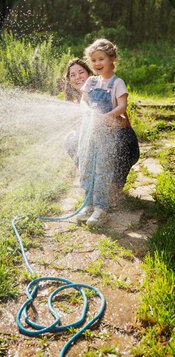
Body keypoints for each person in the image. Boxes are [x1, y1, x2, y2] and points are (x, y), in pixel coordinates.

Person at [76, 38, 139, 226]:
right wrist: (87, 111)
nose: (97, 64)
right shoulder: (91, 81)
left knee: (102, 170)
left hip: (106, 133)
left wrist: (105, 117)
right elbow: (83, 101)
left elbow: (122, 106)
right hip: (88, 132)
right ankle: (88, 204)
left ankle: (101, 208)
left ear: (111, 59)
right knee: (86, 168)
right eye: (93, 60)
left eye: (101, 59)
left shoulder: (117, 83)